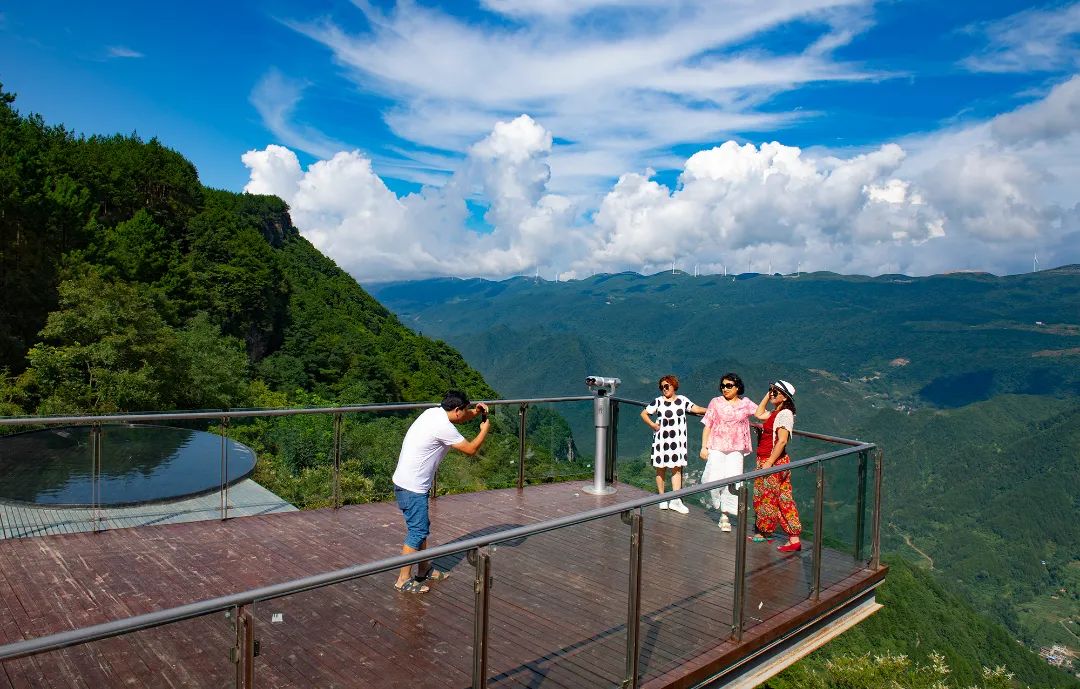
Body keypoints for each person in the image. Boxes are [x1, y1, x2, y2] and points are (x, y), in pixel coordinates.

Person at [392, 390, 490, 593]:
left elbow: (460, 417)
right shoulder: (443, 427)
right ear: (456, 410)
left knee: (421, 527)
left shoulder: (433, 413)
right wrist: (484, 429)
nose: (465, 414)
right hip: (412, 488)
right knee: (417, 531)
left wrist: (475, 411)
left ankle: (424, 569)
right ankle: (402, 580)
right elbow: (471, 450)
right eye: (464, 410)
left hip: (408, 483)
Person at [699, 372, 757, 532]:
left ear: (737, 387)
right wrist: (703, 447)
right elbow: (708, 425)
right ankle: (718, 503)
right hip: (716, 445)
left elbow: (760, 414)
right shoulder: (715, 402)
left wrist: (781, 412)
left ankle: (725, 516)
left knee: (733, 481)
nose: (725, 388)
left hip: (736, 448)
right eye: (723, 386)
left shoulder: (745, 403)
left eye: (729, 386)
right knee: (712, 478)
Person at [640, 375, 706, 514]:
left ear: (674, 386)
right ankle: (662, 498)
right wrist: (653, 425)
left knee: (677, 468)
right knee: (661, 468)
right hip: (662, 440)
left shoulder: (682, 400)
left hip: (677, 441)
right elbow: (644, 413)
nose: (664, 389)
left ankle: (675, 500)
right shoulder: (658, 401)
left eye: (667, 386)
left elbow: (696, 409)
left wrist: (713, 410)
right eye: (662, 387)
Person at [751, 380, 802, 553]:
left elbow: (781, 440)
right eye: (771, 390)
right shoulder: (776, 412)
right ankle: (790, 537)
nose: (772, 393)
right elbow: (758, 413)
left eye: (775, 392)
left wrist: (769, 463)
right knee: (780, 498)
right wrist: (769, 393)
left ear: (784, 396)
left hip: (772, 461)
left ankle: (769, 533)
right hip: (769, 460)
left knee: (769, 497)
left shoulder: (785, 414)